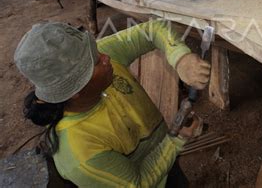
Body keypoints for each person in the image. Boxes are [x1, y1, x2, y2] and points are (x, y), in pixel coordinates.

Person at [14, 19, 211, 187]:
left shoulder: (99, 57)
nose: (106, 57)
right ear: (75, 90)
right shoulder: (80, 153)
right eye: (97, 62)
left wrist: (180, 58)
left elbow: (153, 29)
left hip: (167, 161)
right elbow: (139, 183)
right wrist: (175, 141)